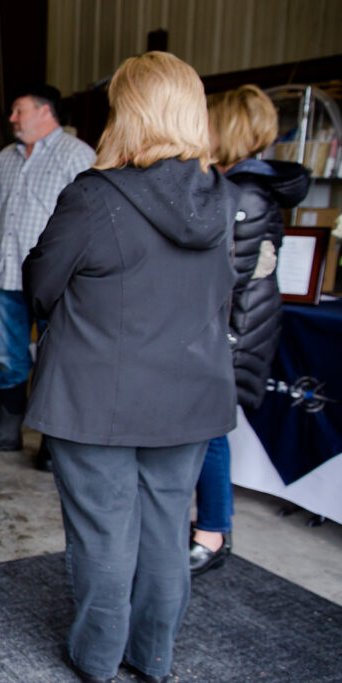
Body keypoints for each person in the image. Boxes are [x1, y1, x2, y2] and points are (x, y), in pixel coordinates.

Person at [22, 52, 238, 683]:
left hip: (95, 399)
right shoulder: (222, 198)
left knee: (104, 537)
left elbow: (41, 285)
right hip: (191, 395)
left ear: (127, 112)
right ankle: (153, 656)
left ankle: (95, 658)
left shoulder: (95, 197)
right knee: (168, 531)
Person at [190, 85, 311, 576]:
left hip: (233, 332)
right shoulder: (237, 185)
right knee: (207, 432)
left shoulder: (246, 192)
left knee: (208, 434)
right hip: (233, 328)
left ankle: (212, 534)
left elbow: (225, 275)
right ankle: (212, 526)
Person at [0, 84, 95, 471]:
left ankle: (55, 444)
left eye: (18, 110)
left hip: (59, 283)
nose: (12, 118)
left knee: (58, 361)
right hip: (8, 277)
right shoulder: (6, 157)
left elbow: (93, 219)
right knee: (7, 358)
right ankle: (7, 432)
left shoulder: (79, 156)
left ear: (44, 111)